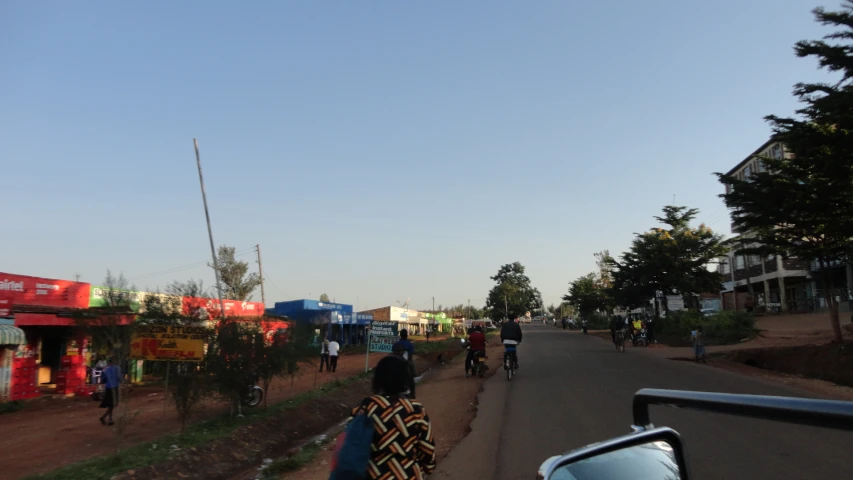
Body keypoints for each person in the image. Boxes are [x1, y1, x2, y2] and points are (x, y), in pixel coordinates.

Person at [343, 355, 436, 478]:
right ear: (405, 379)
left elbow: (350, 447)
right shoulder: (415, 409)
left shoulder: (365, 408)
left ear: (377, 379)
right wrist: (427, 468)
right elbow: (427, 449)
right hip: (408, 474)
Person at [392, 329, 416, 398]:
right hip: (406, 362)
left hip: (395, 362)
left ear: (400, 335)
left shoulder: (396, 344)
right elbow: (410, 357)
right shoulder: (409, 344)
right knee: (411, 378)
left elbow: (393, 352)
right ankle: (413, 394)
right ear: (406, 335)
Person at [99, 357, 121, 426]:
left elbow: (103, 379)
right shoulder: (117, 368)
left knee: (110, 404)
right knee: (113, 404)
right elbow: (119, 377)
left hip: (108, 387)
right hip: (114, 387)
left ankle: (110, 419)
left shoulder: (105, 369)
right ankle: (104, 417)